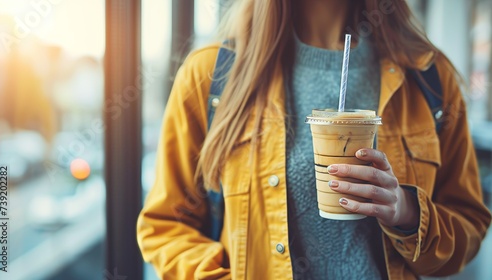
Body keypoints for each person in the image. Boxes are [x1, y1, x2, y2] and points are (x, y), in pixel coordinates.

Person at [137, 0, 492, 279]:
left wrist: (405, 210)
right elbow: (165, 226)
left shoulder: (430, 76)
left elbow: (469, 226)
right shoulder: (211, 76)